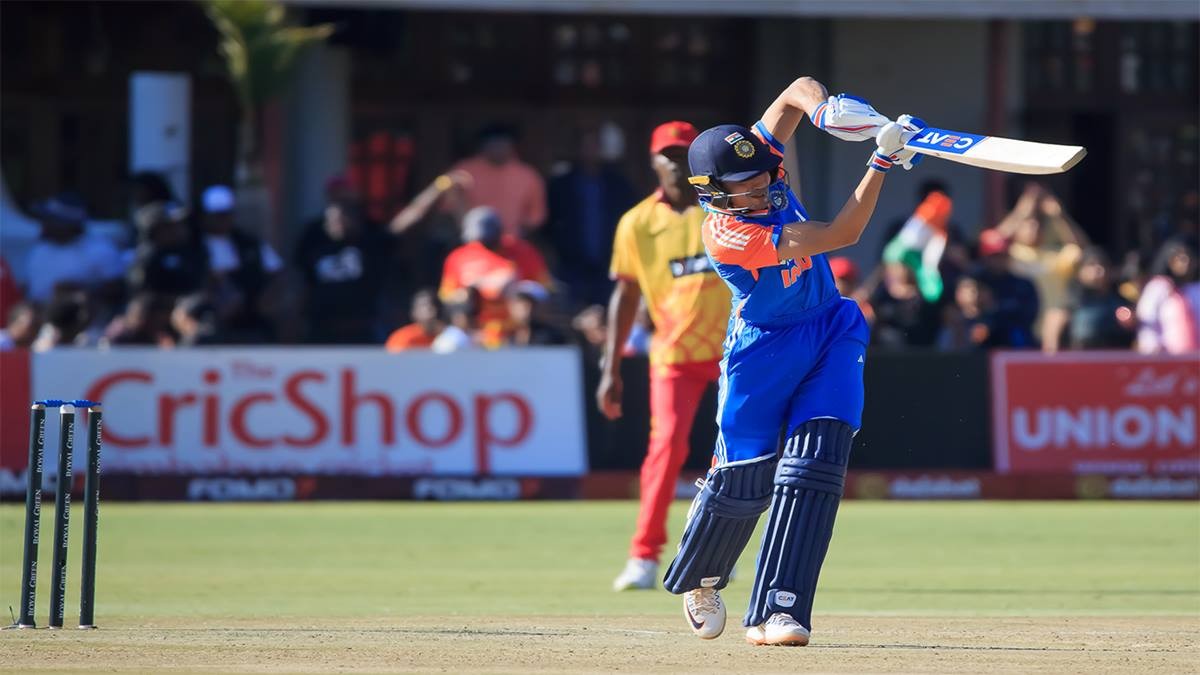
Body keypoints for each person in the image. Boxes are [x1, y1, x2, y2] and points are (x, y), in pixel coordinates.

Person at [659, 79, 921, 646]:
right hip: (763, 350)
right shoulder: (728, 233)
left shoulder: (760, 165)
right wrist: (880, 160)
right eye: (746, 185)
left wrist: (825, 111)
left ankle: (779, 609)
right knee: (744, 480)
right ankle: (703, 578)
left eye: (763, 175)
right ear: (713, 193)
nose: (763, 188)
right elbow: (843, 233)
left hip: (830, 327)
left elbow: (795, 91)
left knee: (814, 466)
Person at [598, 121, 731, 592]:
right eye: (666, 156)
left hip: (734, 350)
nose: (674, 165)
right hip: (674, 352)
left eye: (682, 155)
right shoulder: (637, 223)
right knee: (666, 448)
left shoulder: (724, 207)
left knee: (737, 452)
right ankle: (643, 556)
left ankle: (720, 546)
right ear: (652, 162)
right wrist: (610, 367)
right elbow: (625, 295)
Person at [546, 128, 637, 306]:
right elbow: (549, 223)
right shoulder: (561, 185)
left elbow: (629, 217)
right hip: (571, 266)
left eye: (595, 146)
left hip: (609, 263)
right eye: (586, 146)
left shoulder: (618, 184)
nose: (591, 151)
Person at [294, 199, 388, 344]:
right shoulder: (315, 249)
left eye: (340, 219)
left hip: (361, 329)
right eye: (330, 220)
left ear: (354, 220)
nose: (334, 224)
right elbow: (303, 284)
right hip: (321, 329)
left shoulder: (371, 245)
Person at [199, 185, 284, 343]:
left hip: (251, 320)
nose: (222, 220)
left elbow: (277, 273)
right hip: (209, 320)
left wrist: (266, 300)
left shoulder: (249, 243)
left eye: (226, 214)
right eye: (217, 215)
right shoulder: (195, 245)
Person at [24, 193, 125, 309]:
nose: (43, 225)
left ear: (66, 225)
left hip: (83, 319)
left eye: (49, 220)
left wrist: (81, 292)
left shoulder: (100, 250)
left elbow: (117, 290)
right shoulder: (39, 249)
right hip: (41, 317)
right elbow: (28, 288)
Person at [448, 125, 547, 237]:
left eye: (504, 144)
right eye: (494, 144)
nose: (499, 149)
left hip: (513, 239)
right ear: (483, 146)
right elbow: (449, 206)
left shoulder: (527, 175)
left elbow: (536, 215)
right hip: (470, 238)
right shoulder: (463, 170)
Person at [1136, 237, 1199, 354]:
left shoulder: (1197, 288)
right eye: (1180, 258)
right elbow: (1147, 320)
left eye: (1190, 257)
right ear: (1170, 261)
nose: (1186, 262)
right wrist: (1151, 349)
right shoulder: (1158, 287)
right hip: (1165, 357)